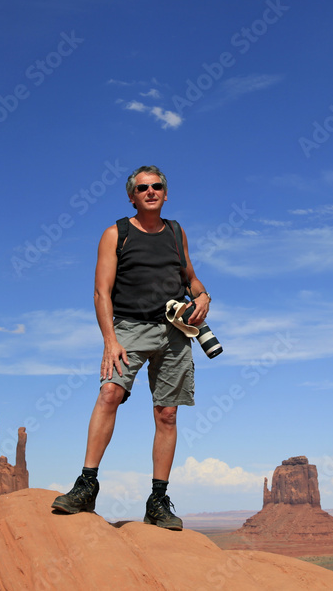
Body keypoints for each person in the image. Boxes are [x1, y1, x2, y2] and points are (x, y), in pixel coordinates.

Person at [51, 165, 211, 530]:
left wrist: (203, 295)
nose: (150, 192)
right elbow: (100, 292)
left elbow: (190, 276)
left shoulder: (175, 231)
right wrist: (110, 340)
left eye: (157, 186)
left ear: (165, 194)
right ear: (132, 196)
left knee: (167, 414)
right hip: (128, 329)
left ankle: (158, 500)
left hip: (173, 331)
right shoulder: (116, 233)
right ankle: (86, 485)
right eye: (143, 188)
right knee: (109, 393)